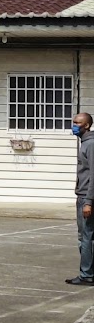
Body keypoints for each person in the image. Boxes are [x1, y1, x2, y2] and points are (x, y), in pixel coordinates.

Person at [66, 111, 94, 285]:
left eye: (78, 123)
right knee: (86, 236)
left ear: (87, 125)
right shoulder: (84, 142)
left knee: (85, 237)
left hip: (86, 197)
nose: (74, 125)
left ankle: (86, 274)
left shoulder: (90, 144)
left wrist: (89, 201)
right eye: (74, 122)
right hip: (83, 195)